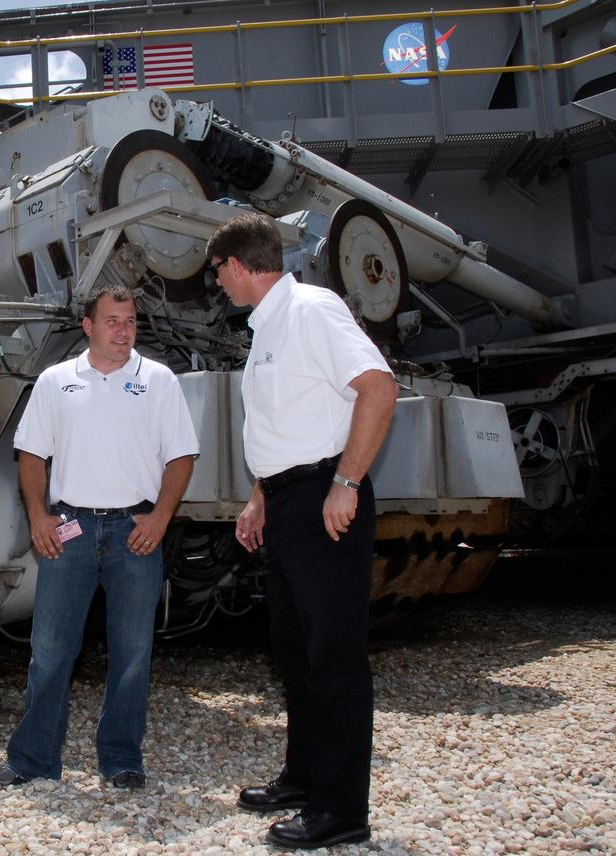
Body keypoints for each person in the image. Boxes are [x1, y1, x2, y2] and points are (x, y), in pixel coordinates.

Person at [206, 213, 397, 849]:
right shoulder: (267, 329)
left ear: (236, 266)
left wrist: (345, 485)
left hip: (323, 497)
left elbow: (377, 388)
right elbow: (288, 427)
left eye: (218, 273)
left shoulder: (313, 310)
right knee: (293, 646)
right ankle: (304, 775)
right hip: (288, 501)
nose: (219, 285)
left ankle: (342, 808)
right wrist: (260, 497)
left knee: (333, 652)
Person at [0, 282, 199, 790]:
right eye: (112, 321)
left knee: (132, 653)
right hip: (70, 530)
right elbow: (32, 455)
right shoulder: (57, 380)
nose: (123, 331)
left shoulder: (160, 381)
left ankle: (122, 758)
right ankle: (33, 759)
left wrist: (160, 518)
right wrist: (38, 517)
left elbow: (182, 456)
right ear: (88, 326)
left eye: (129, 322)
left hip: (135, 532)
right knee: (52, 651)